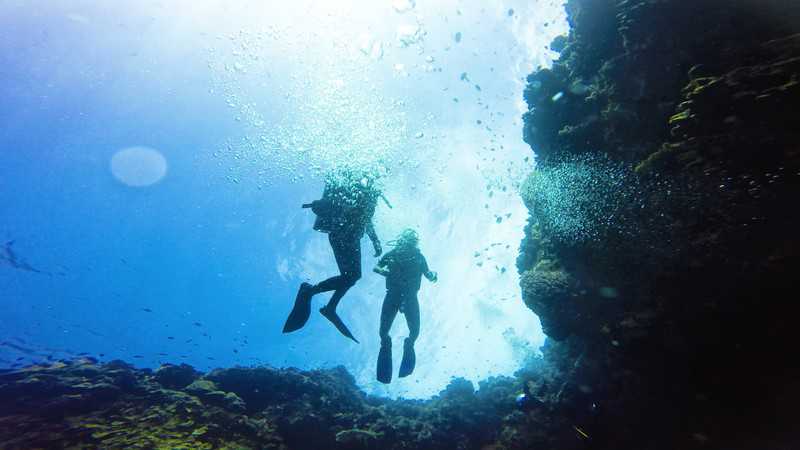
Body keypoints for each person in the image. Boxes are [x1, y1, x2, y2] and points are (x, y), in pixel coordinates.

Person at [282, 170, 382, 343]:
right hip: (342, 233)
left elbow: (367, 220)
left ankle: (328, 305)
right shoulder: (358, 190)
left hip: (349, 235)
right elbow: (353, 213)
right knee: (352, 276)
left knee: (351, 276)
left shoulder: (368, 196)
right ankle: (316, 296)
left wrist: (375, 241)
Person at [373, 229, 437, 383]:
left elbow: (428, 274)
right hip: (396, 295)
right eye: (407, 239)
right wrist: (386, 273)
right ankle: (393, 345)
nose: (408, 242)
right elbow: (376, 268)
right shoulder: (393, 254)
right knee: (387, 332)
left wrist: (433, 276)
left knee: (413, 332)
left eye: (411, 240)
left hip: (407, 296)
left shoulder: (419, 257)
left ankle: (406, 345)